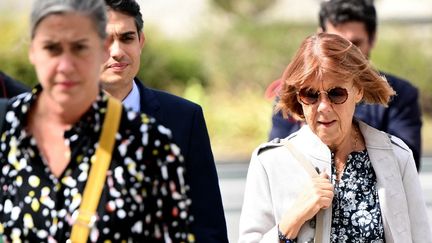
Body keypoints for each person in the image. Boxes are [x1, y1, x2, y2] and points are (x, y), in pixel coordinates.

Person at [0, 0, 193, 241]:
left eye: (79, 48)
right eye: (52, 48)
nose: (65, 64)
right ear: (33, 51)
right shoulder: (8, 126)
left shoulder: (151, 141)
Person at [239, 33, 431, 242]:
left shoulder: (396, 157)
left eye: (336, 93)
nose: (323, 107)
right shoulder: (269, 162)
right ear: (298, 97)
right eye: (310, 95)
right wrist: (292, 220)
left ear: (357, 90)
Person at [100, 0, 228, 242]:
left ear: (141, 42)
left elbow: (208, 225)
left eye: (127, 38)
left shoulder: (184, 118)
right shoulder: (52, 121)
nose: (116, 51)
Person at [267, 0, 423, 170]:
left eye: (355, 44)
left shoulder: (400, 93)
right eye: (311, 96)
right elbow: (277, 163)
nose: (345, 53)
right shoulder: (293, 90)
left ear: (372, 40)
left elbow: (407, 162)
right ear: (320, 38)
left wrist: (349, 135)